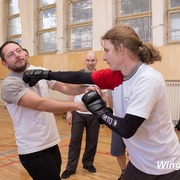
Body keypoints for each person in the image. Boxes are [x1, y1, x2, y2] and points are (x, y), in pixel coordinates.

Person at [23, 24, 180, 180]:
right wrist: (47, 74)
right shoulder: (116, 75)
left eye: (106, 50)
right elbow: (79, 77)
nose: (103, 57)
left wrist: (100, 112)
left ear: (121, 49)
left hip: (165, 165)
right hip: (139, 163)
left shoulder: (148, 80)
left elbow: (126, 128)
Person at [0, 41, 97, 180]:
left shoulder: (38, 70)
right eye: (11, 54)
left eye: (18, 50)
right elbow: (40, 104)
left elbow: (64, 87)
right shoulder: (10, 84)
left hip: (51, 143)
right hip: (33, 149)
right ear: (5, 63)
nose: (17, 55)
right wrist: (77, 106)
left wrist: (84, 89)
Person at [61, 51, 103, 179]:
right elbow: (71, 93)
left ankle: (88, 163)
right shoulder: (78, 75)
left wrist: (102, 115)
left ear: (96, 61)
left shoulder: (100, 76)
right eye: (88, 60)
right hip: (78, 113)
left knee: (92, 141)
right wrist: (69, 111)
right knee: (74, 141)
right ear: (85, 61)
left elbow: (104, 96)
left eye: (93, 60)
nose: (90, 63)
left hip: (94, 115)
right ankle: (70, 168)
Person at [106, 90, 127, 180]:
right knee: (118, 150)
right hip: (117, 121)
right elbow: (109, 97)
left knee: (137, 152)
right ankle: (124, 172)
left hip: (135, 121)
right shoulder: (112, 81)